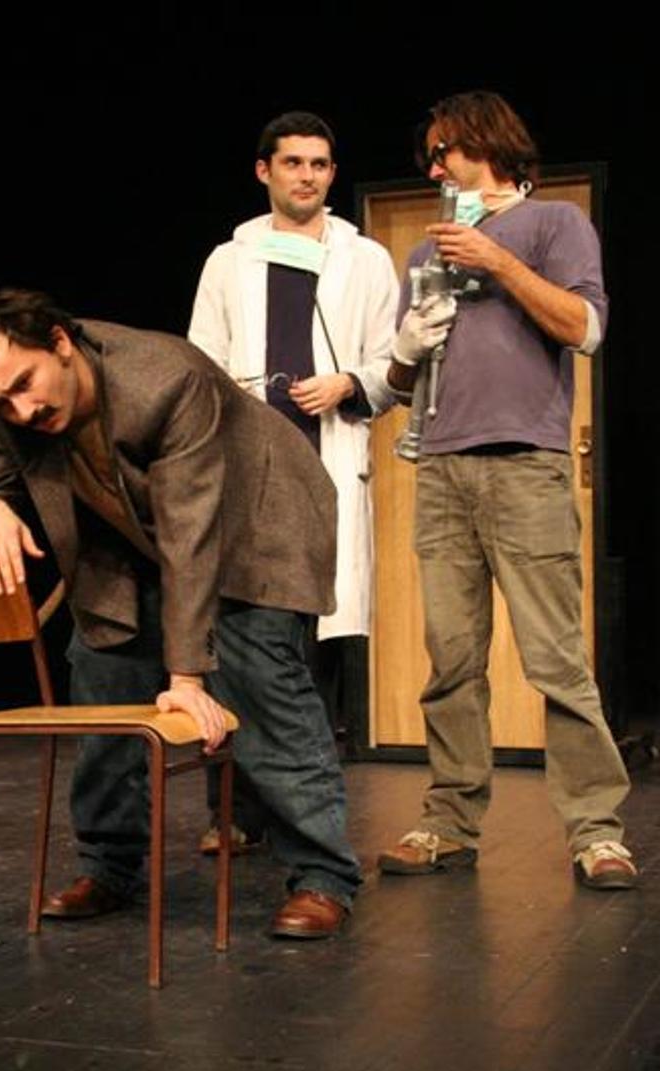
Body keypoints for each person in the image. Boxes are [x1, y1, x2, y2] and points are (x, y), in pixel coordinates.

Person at [0, 287, 363, 937]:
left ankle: (322, 876)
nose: (21, 410)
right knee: (101, 668)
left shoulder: (166, 380)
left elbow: (191, 533)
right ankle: (109, 865)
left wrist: (186, 678)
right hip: (129, 535)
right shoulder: (2, 398)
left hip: (257, 519)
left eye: (26, 384)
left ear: (60, 342)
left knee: (261, 680)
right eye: (3, 401)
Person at [380, 91, 636, 889]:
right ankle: (448, 823)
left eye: (442, 151)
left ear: (484, 142)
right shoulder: (424, 255)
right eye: (428, 157)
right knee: (450, 662)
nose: (433, 169)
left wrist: (497, 262)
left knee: (555, 661)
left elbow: (584, 329)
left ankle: (596, 832)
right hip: (441, 469)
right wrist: (404, 349)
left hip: (525, 466)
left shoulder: (555, 224)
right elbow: (399, 382)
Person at [187, 112, 398, 854]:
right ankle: (233, 812)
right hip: (247, 476)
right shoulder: (229, 260)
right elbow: (198, 362)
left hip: (324, 466)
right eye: (292, 163)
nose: (306, 176)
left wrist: (349, 382)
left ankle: (306, 818)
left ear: (332, 174)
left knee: (310, 651)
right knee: (239, 642)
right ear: (264, 171)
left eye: (319, 164)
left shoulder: (365, 260)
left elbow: (395, 363)